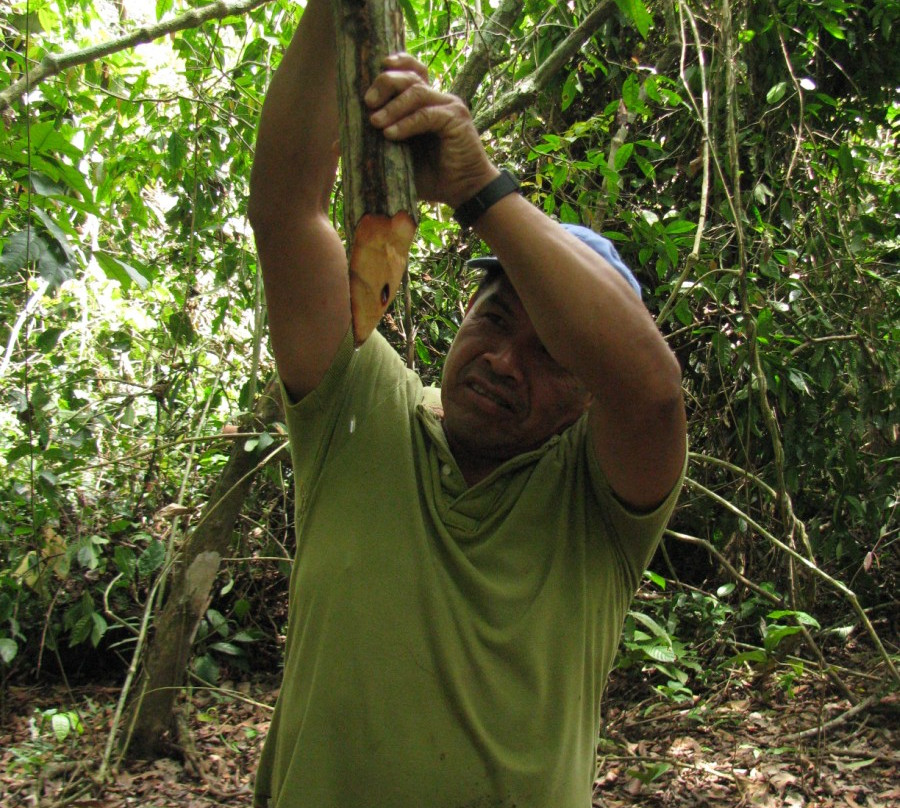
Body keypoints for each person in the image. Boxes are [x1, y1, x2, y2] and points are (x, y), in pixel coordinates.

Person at [247, 1, 687, 806]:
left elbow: (652, 394)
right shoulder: (360, 413)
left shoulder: (599, 507)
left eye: (551, 354)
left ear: (589, 394)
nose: (503, 363)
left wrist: (480, 189)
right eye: (493, 318)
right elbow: (288, 212)